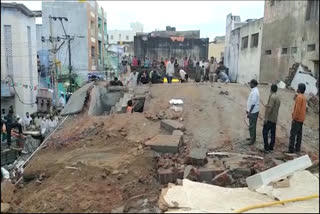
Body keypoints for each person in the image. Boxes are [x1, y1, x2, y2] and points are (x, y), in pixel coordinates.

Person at [288, 83, 307, 154]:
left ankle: (291, 149)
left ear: (299, 89)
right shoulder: (304, 97)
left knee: (293, 134)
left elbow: (297, 109)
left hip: (297, 118)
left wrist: (294, 118)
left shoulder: (299, 97)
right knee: (299, 135)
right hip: (301, 119)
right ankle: (297, 148)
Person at [262, 84, 281, 153]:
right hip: (275, 118)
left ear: (271, 89)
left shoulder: (272, 97)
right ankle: (271, 147)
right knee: (273, 133)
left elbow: (270, 108)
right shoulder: (278, 97)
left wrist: (266, 118)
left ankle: (266, 148)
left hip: (270, 118)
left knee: (265, 132)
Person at [246, 79, 260, 145]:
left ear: (253, 84)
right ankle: (252, 137)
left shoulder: (255, 92)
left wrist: (249, 112)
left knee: (252, 126)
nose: (249, 84)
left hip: (253, 112)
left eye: (250, 83)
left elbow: (253, 103)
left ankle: (252, 140)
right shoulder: (254, 91)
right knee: (251, 125)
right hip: (252, 111)